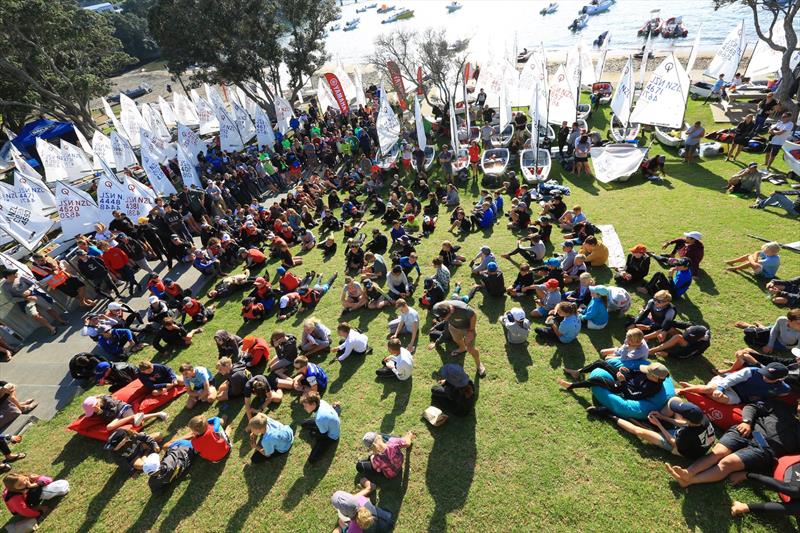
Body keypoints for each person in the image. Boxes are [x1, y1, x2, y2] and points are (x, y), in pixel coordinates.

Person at [666, 400, 800, 488]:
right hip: (747, 430)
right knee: (718, 453)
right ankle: (687, 472)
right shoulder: (781, 406)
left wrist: (750, 474)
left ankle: (690, 481)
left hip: (765, 449)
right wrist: (747, 421)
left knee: (727, 463)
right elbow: (752, 406)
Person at [677, 362, 790, 405]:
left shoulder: (782, 388)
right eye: (765, 373)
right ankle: (682, 390)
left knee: (722, 400)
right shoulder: (751, 371)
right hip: (727, 383)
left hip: (738, 396)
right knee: (709, 389)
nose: (765, 377)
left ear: (779, 379)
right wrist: (720, 389)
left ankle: (694, 388)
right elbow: (731, 379)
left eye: (770, 377)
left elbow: (782, 393)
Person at [0, 266, 66, 335]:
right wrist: (26, 298)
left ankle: (60, 320)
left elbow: (32, 284)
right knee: (35, 315)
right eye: (14, 273)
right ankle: (51, 328)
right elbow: (11, 299)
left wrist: (29, 290)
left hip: (34, 295)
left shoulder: (21, 277)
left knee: (49, 307)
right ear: (8, 276)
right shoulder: (4, 287)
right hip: (24, 302)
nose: (16, 274)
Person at [429, 299, 486, 378]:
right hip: (453, 327)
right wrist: (436, 343)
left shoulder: (463, 309)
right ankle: (462, 348)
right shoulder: (437, 308)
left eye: (447, 317)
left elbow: (473, 315)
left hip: (467, 329)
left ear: (451, 310)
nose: (445, 320)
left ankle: (479, 365)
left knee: (471, 349)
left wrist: (471, 330)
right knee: (456, 339)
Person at [558, 362, 670, 401]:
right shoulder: (647, 374)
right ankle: (578, 372)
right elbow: (634, 372)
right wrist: (626, 371)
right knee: (600, 363)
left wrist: (623, 382)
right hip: (624, 379)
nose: (645, 372)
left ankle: (571, 386)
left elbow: (632, 396)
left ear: (655, 378)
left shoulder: (653, 388)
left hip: (623, 389)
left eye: (648, 372)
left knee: (597, 380)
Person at [330, 479, 395, 533]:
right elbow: (357, 498)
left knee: (340, 524)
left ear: (344, 514)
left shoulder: (353, 529)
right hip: (388, 517)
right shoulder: (361, 499)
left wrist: (343, 527)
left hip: (381, 531)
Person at [82, 394, 167, 432]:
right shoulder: (97, 410)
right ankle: (133, 417)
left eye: (93, 410)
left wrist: (101, 412)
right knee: (109, 427)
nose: (93, 412)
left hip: (122, 409)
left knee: (136, 423)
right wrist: (100, 412)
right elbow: (107, 419)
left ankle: (158, 413)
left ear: (95, 405)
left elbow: (113, 411)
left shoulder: (106, 400)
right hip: (116, 417)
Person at [2, 473, 69, 520]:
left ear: (23, 476)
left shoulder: (27, 477)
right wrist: (39, 512)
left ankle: (56, 491)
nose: (25, 483)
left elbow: (49, 479)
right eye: (20, 485)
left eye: (25, 480)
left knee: (37, 488)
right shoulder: (15, 498)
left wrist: (35, 484)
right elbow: (24, 510)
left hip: (28, 500)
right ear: (14, 489)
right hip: (23, 508)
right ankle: (34, 506)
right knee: (36, 491)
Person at [166, 415, 231, 463]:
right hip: (226, 450)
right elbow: (216, 419)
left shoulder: (194, 441)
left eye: (192, 430)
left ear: (196, 432)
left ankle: (226, 433)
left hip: (215, 460)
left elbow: (197, 450)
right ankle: (226, 432)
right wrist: (207, 422)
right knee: (219, 427)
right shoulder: (213, 429)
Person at [299, 391, 341, 463]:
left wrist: (314, 434)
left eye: (306, 406)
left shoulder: (320, 418)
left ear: (313, 404)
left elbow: (323, 435)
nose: (304, 408)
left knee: (312, 460)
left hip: (331, 436)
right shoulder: (321, 401)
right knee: (303, 423)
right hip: (325, 422)